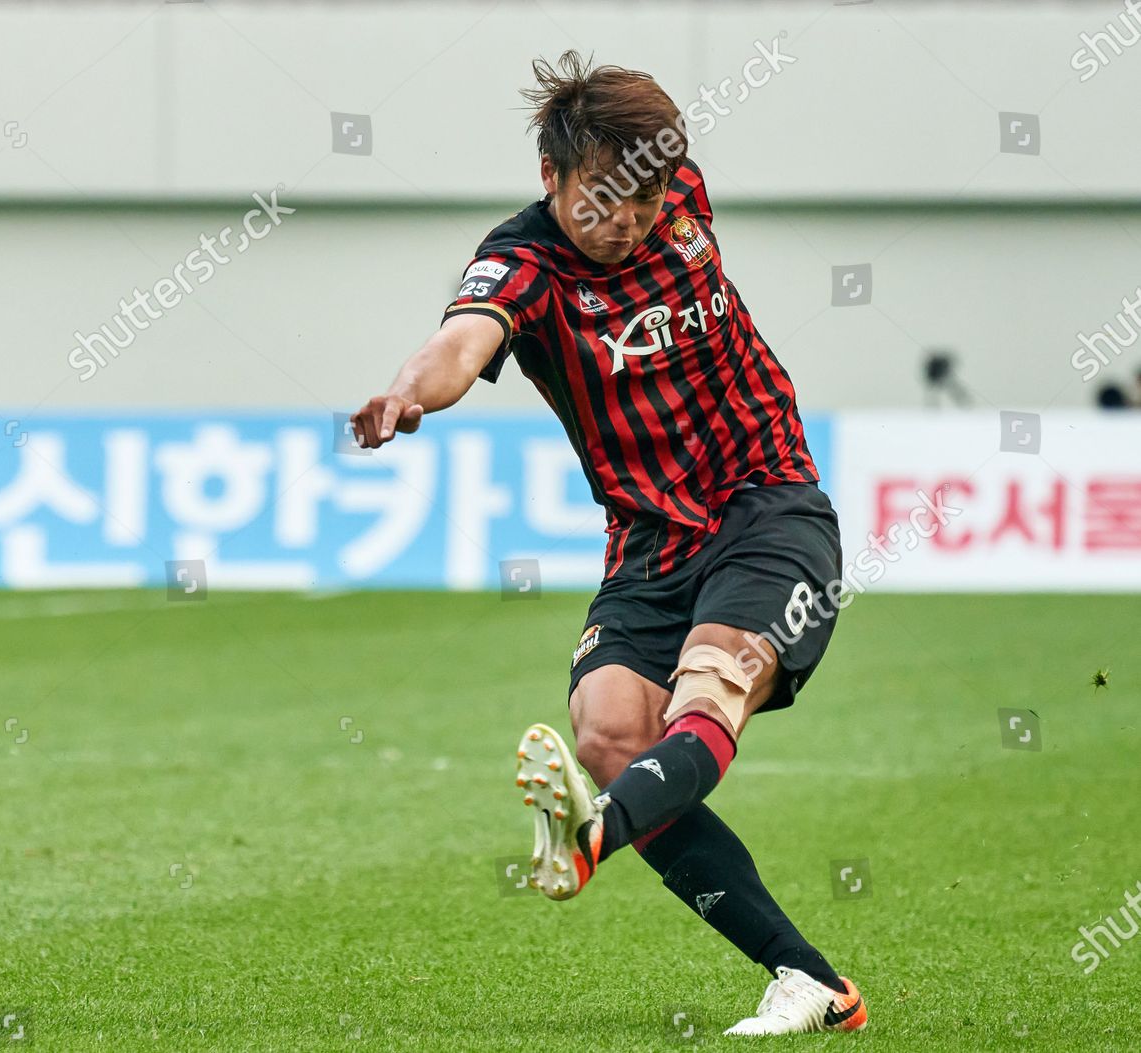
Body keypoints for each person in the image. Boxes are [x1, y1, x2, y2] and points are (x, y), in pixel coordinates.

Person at [351, 51, 866, 1037]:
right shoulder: (525, 263)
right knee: (610, 733)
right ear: (553, 179)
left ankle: (596, 831)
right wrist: (410, 392)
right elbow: (463, 340)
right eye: (600, 198)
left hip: (767, 502)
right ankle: (811, 982)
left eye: (646, 196)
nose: (626, 219)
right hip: (646, 544)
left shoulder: (677, 192)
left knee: (713, 684)